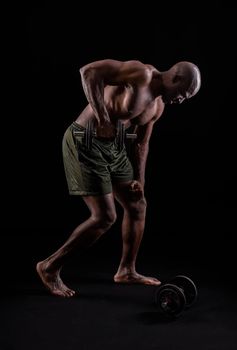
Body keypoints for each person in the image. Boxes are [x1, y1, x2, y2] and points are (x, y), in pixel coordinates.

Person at [36, 59, 201, 297]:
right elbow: (88, 72)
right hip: (85, 139)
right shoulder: (142, 74)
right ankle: (49, 267)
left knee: (137, 205)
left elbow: (141, 145)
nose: (181, 100)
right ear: (176, 78)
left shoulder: (157, 107)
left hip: (112, 147)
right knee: (105, 217)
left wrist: (139, 181)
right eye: (183, 94)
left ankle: (126, 271)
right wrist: (103, 118)